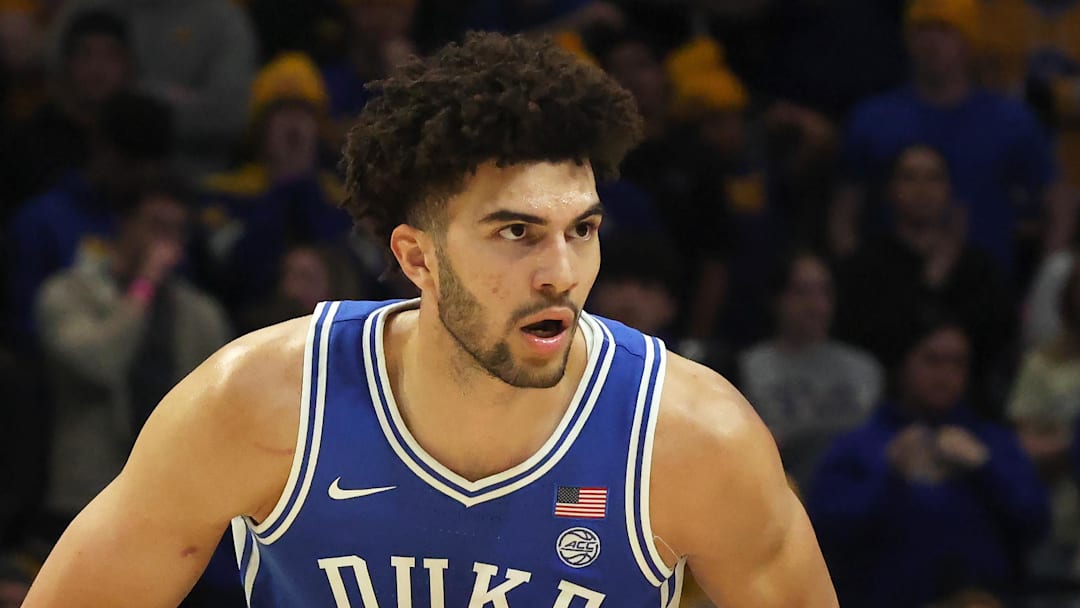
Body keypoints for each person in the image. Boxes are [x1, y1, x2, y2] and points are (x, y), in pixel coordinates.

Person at [24, 32, 837, 607]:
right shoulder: (262, 403)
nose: (561, 273)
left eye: (581, 230)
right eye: (516, 232)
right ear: (416, 258)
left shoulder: (690, 439)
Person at [808, 311, 1048, 608]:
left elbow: (1036, 521)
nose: (945, 375)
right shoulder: (859, 445)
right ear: (904, 364)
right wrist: (889, 475)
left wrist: (987, 468)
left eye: (957, 363)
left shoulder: (991, 443)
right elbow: (824, 532)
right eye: (932, 360)